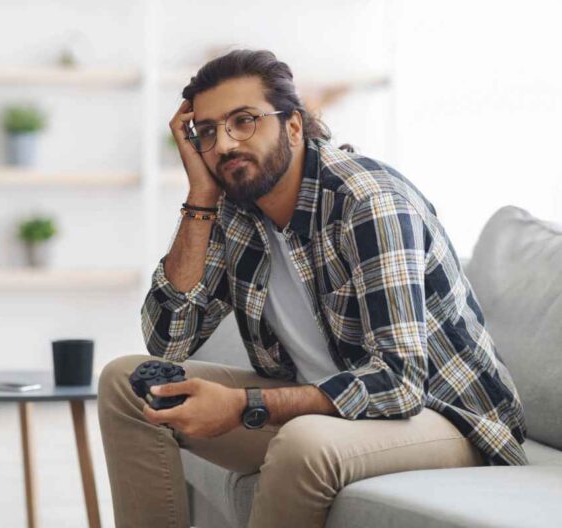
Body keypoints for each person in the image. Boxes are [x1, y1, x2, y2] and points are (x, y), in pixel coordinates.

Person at [98, 49, 527, 528]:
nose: (224, 145)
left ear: (295, 126)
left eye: (244, 121)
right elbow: (168, 340)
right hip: (328, 408)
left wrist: (244, 405)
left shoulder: (368, 202)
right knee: (128, 382)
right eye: (208, 131)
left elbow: (401, 385)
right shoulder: (236, 211)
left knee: (304, 442)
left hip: (448, 419)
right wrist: (200, 196)